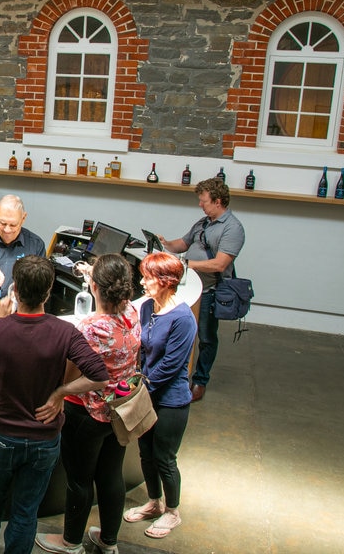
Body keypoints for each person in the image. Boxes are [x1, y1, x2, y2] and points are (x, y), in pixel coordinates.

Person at [0, 255, 109, 554]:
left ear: (15, 289)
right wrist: (60, 393)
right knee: (25, 510)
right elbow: (99, 375)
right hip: (44, 439)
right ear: (49, 291)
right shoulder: (65, 332)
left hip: (2, 436)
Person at [35, 254, 141, 554]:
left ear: (94, 287)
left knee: (79, 480)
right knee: (110, 475)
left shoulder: (91, 328)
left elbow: (69, 374)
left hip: (86, 414)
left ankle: (70, 542)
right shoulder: (133, 313)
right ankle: (108, 541)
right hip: (119, 410)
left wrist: (58, 392)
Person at [122, 252, 196, 540]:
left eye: (148, 277)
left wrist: (137, 389)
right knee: (146, 453)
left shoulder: (183, 319)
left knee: (165, 457)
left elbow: (170, 366)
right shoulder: (147, 308)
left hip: (170, 401)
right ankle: (154, 502)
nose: (143, 282)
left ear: (166, 282)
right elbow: (142, 349)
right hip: (147, 394)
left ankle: (172, 511)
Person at [156, 177, 245, 402]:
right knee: (177, 331)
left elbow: (220, 264)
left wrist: (186, 264)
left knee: (206, 337)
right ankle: (175, 374)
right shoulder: (203, 223)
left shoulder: (233, 229)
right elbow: (183, 244)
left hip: (209, 291)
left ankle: (200, 380)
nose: (200, 205)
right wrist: (164, 244)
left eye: (203, 201)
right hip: (187, 285)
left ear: (217, 201)